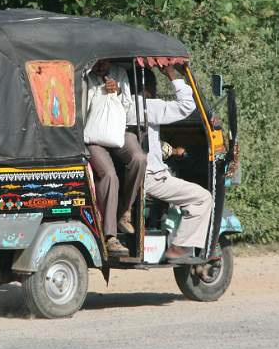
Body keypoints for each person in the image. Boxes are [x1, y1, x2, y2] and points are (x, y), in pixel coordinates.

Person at [142, 66, 214, 264]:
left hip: (134, 174)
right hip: (150, 177)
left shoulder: (119, 105)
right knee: (202, 198)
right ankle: (179, 246)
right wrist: (173, 75)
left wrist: (168, 150)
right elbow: (186, 105)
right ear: (148, 88)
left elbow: (153, 144)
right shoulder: (148, 106)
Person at [85, 59, 147, 256]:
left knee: (139, 158)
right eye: (98, 64)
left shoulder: (120, 73)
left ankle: (124, 212)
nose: (102, 68)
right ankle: (110, 236)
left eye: (105, 63)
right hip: (92, 136)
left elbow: (128, 110)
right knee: (110, 175)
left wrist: (118, 91)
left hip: (117, 131)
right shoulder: (83, 74)